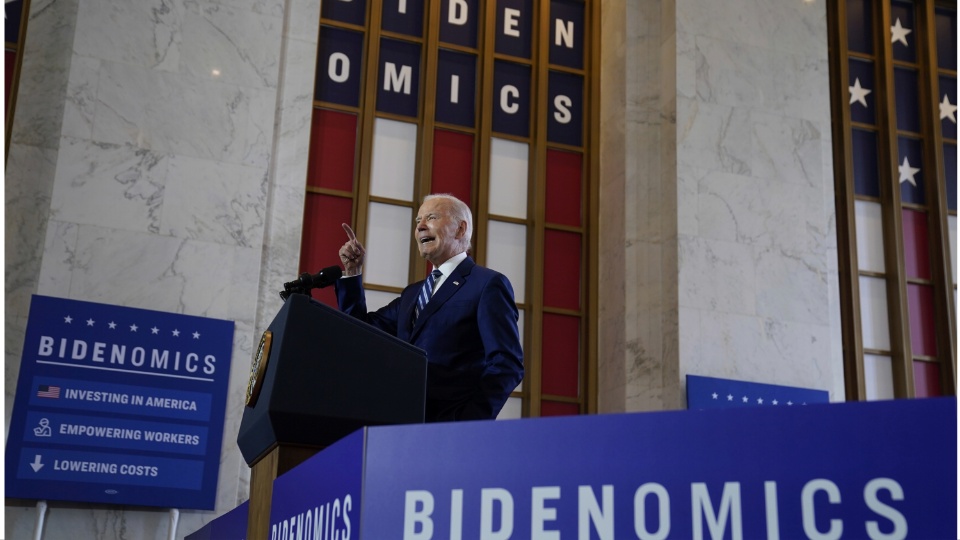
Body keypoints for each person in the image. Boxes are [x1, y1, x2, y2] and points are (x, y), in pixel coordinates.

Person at [336, 194, 524, 422]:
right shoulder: (412, 294)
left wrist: (469, 420)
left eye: (431, 218)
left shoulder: (487, 284)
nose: (420, 227)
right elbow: (360, 331)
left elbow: (506, 363)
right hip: (402, 423)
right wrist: (353, 272)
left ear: (460, 229)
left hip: (452, 426)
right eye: (418, 221)